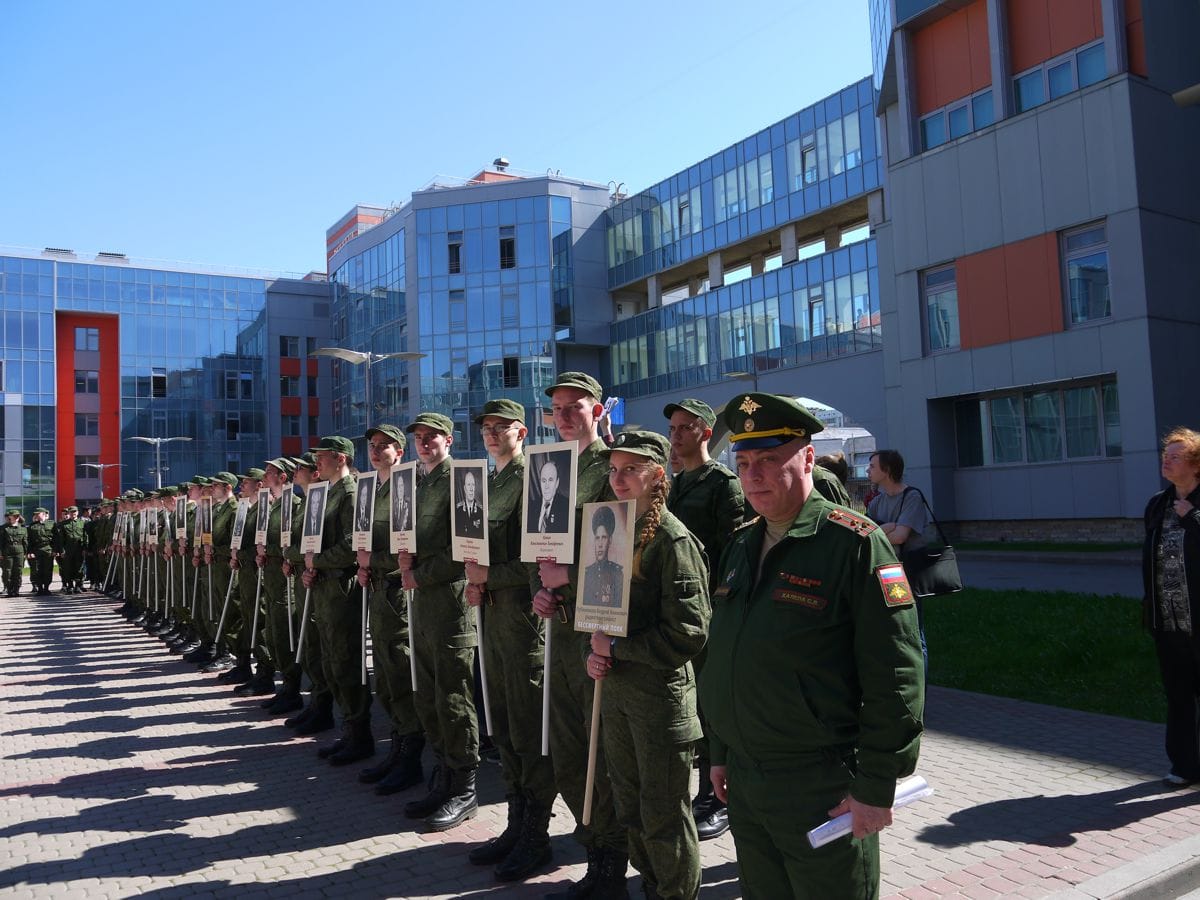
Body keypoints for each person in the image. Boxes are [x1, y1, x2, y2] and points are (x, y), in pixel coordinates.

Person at [699, 393, 924, 899]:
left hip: (821, 786)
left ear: (806, 458)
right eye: (744, 463)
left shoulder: (854, 543)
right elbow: (728, 659)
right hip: (746, 781)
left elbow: (896, 672)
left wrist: (876, 786)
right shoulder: (741, 545)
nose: (753, 475)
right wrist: (720, 751)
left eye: (768, 460)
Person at [587, 430, 710, 900]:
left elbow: (689, 633)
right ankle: (654, 887)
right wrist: (595, 654)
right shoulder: (613, 530)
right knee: (631, 809)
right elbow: (599, 615)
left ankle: (675, 893)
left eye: (630, 470)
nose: (618, 479)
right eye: (613, 469)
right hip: (619, 693)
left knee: (663, 815)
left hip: (660, 700)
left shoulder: (672, 541)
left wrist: (616, 649)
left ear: (657, 475)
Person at [531, 371, 627, 899]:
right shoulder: (549, 467)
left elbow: (627, 548)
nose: (565, 416)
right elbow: (538, 548)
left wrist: (567, 577)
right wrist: (540, 592)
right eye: (557, 408)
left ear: (598, 410)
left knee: (600, 755)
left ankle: (610, 865)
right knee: (568, 751)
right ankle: (593, 847)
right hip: (562, 629)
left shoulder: (614, 466)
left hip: (599, 631)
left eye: (576, 406)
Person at [463, 399, 557, 882]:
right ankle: (516, 823)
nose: (492, 433)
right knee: (501, 729)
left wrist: (487, 577)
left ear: (522, 432)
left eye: (501, 426)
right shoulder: (486, 482)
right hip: (492, 622)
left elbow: (538, 560)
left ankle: (536, 833)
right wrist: (474, 579)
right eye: (486, 426)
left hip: (523, 625)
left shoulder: (532, 480)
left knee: (527, 731)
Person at [664, 397, 745, 841]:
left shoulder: (723, 484)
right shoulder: (674, 483)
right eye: (673, 428)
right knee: (692, 704)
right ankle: (702, 790)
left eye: (685, 428)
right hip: (678, 611)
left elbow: (733, 551)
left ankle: (718, 797)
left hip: (709, 611)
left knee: (712, 705)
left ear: (706, 433)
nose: (676, 435)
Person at [397, 412, 479, 832]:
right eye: (419, 437)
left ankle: (464, 788)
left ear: (449, 440)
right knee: (428, 696)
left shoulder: (461, 480)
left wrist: (419, 574)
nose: (424, 443)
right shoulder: (417, 483)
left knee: (453, 698)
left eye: (432, 437)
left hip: (450, 604)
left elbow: (466, 549)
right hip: (423, 605)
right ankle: (443, 776)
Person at [355, 425, 425, 797]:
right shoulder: (370, 488)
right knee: (384, 676)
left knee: (400, 673)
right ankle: (397, 748)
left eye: (385, 445)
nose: (377, 450)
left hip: (399, 594)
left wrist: (374, 561)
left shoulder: (408, 485)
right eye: (373, 445)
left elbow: (408, 549)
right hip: (379, 592)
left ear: (400, 451)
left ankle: (410, 757)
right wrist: (363, 565)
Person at [300, 436, 374, 765]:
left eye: (323, 456)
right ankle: (348, 730)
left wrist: (317, 562)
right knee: (331, 662)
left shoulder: (350, 494)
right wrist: (310, 568)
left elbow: (351, 545)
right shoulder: (327, 493)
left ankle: (360, 735)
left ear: (341, 458)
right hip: (325, 587)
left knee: (346, 663)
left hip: (343, 588)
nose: (317, 461)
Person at [1142, 427, 1200, 788]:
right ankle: (1184, 765)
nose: (1167, 460)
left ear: (1196, 465)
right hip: (1168, 620)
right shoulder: (1157, 504)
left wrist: (1193, 517)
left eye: (1176, 456)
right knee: (1178, 695)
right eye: (1166, 455)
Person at [866, 449, 930, 673]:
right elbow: (865, 536)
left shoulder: (912, 497)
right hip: (885, 570)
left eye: (872, 466)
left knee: (913, 631)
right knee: (892, 627)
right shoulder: (876, 502)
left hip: (908, 572)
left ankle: (919, 683)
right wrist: (887, 529)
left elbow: (901, 536)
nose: (868, 471)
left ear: (887, 470)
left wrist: (880, 532)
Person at [257, 457, 304, 716]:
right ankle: (285, 687)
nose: (265, 477)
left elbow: (293, 543)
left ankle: (292, 689)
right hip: (273, 577)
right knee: (275, 635)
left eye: (269, 472)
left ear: (283, 477)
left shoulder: (293, 505)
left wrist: (272, 551)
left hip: (287, 579)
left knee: (287, 637)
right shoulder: (273, 506)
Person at [582, 505, 624, 608]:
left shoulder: (617, 573)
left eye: (604, 538)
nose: (600, 544)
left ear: (610, 540)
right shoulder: (586, 574)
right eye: (597, 538)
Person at [528, 454, 570, 535]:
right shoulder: (531, 507)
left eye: (550, 480)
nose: (546, 486)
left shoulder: (566, 506)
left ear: (557, 483)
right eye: (543, 481)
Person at [53, 506, 87, 594]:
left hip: (79, 549)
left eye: (74, 512)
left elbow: (85, 536)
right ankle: (70, 585)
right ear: (69, 513)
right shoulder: (64, 524)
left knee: (79, 568)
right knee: (68, 568)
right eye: (71, 512)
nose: (73, 513)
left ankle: (78, 586)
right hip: (68, 549)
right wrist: (62, 550)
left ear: (77, 512)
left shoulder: (82, 523)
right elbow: (61, 539)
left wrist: (84, 548)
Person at [27, 508, 55, 596]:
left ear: (43, 514)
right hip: (37, 550)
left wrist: (56, 550)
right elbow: (29, 540)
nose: (36, 515)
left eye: (38, 514)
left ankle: (46, 588)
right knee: (37, 570)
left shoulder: (52, 524)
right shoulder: (32, 526)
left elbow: (56, 538)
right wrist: (30, 552)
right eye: (35, 514)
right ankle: (39, 588)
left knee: (48, 569)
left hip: (48, 549)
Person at [1, 509, 29, 597]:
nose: (15, 518)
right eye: (13, 516)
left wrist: (26, 553)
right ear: (10, 517)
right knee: (7, 572)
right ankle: (9, 590)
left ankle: (16, 590)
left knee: (18, 571)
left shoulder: (23, 528)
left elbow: (25, 542)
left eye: (16, 516)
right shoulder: (3, 528)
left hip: (19, 551)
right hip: (7, 551)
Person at [455, 469, 485, 539]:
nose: (471, 489)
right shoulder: (457, 510)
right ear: (465, 488)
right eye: (468, 485)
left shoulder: (481, 510)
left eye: (473, 485)